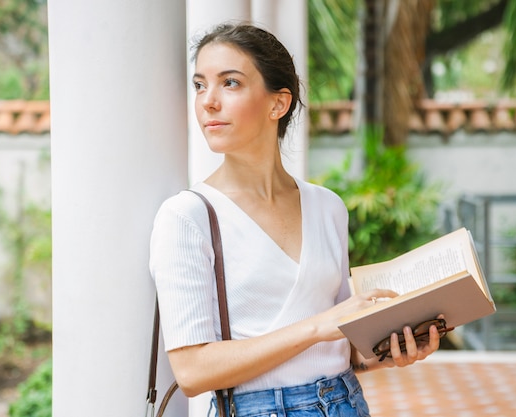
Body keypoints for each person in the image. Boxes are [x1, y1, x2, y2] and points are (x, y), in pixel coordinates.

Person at [150, 22, 443, 417]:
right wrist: (316, 327)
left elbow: (343, 344)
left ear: (278, 104)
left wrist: (390, 350)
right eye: (200, 85)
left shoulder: (327, 206)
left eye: (230, 83)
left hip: (345, 403)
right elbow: (193, 370)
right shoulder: (188, 216)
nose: (208, 102)